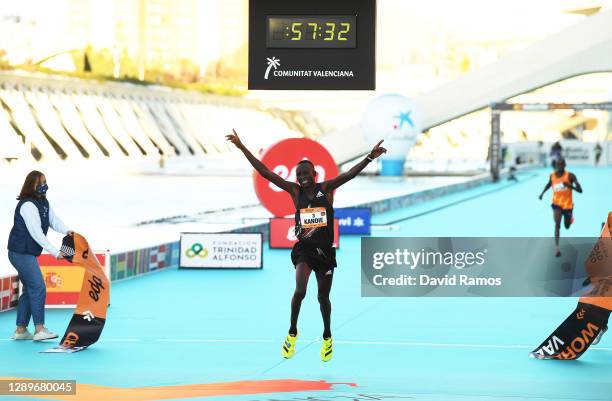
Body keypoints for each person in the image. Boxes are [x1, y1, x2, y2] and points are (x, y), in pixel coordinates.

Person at [226, 129, 386, 362]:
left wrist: (370, 157)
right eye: (299, 174)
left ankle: (327, 336)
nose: (302, 177)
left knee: (323, 298)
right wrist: (241, 147)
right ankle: (292, 332)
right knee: (300, 291)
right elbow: (265, 172)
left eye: (306, 173)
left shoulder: (327, 188)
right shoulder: (294, 191)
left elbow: (350, 174)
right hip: (305, 250)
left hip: (326, 253)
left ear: (314, 173)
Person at [7, 171, 73, 341]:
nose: (44, 185)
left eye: (45, 181)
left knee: (29, 289)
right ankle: (39, 329)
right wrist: (55, 252)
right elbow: (36, 233)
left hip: (27, 252)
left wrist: (67, 230)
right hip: (20, 253)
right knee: (38, 287)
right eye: (40, 182)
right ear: (32, 185)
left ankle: (21, 330)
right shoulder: (28, 205)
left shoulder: (43, 202)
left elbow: (53, 220)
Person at [538, 158, 582, 257]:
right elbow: (549, 185)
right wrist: (542, 194)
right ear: (556, 166)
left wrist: (571, 186)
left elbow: (580, 190)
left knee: (567, 226)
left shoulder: (570, 176)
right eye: (558, 165)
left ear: (565, 165)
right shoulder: (552, 176)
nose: (560, 166)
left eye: (562, 164)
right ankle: (557, 248)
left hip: (568, 205)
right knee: (557, 224)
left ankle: (570, 219)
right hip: (556, 204)